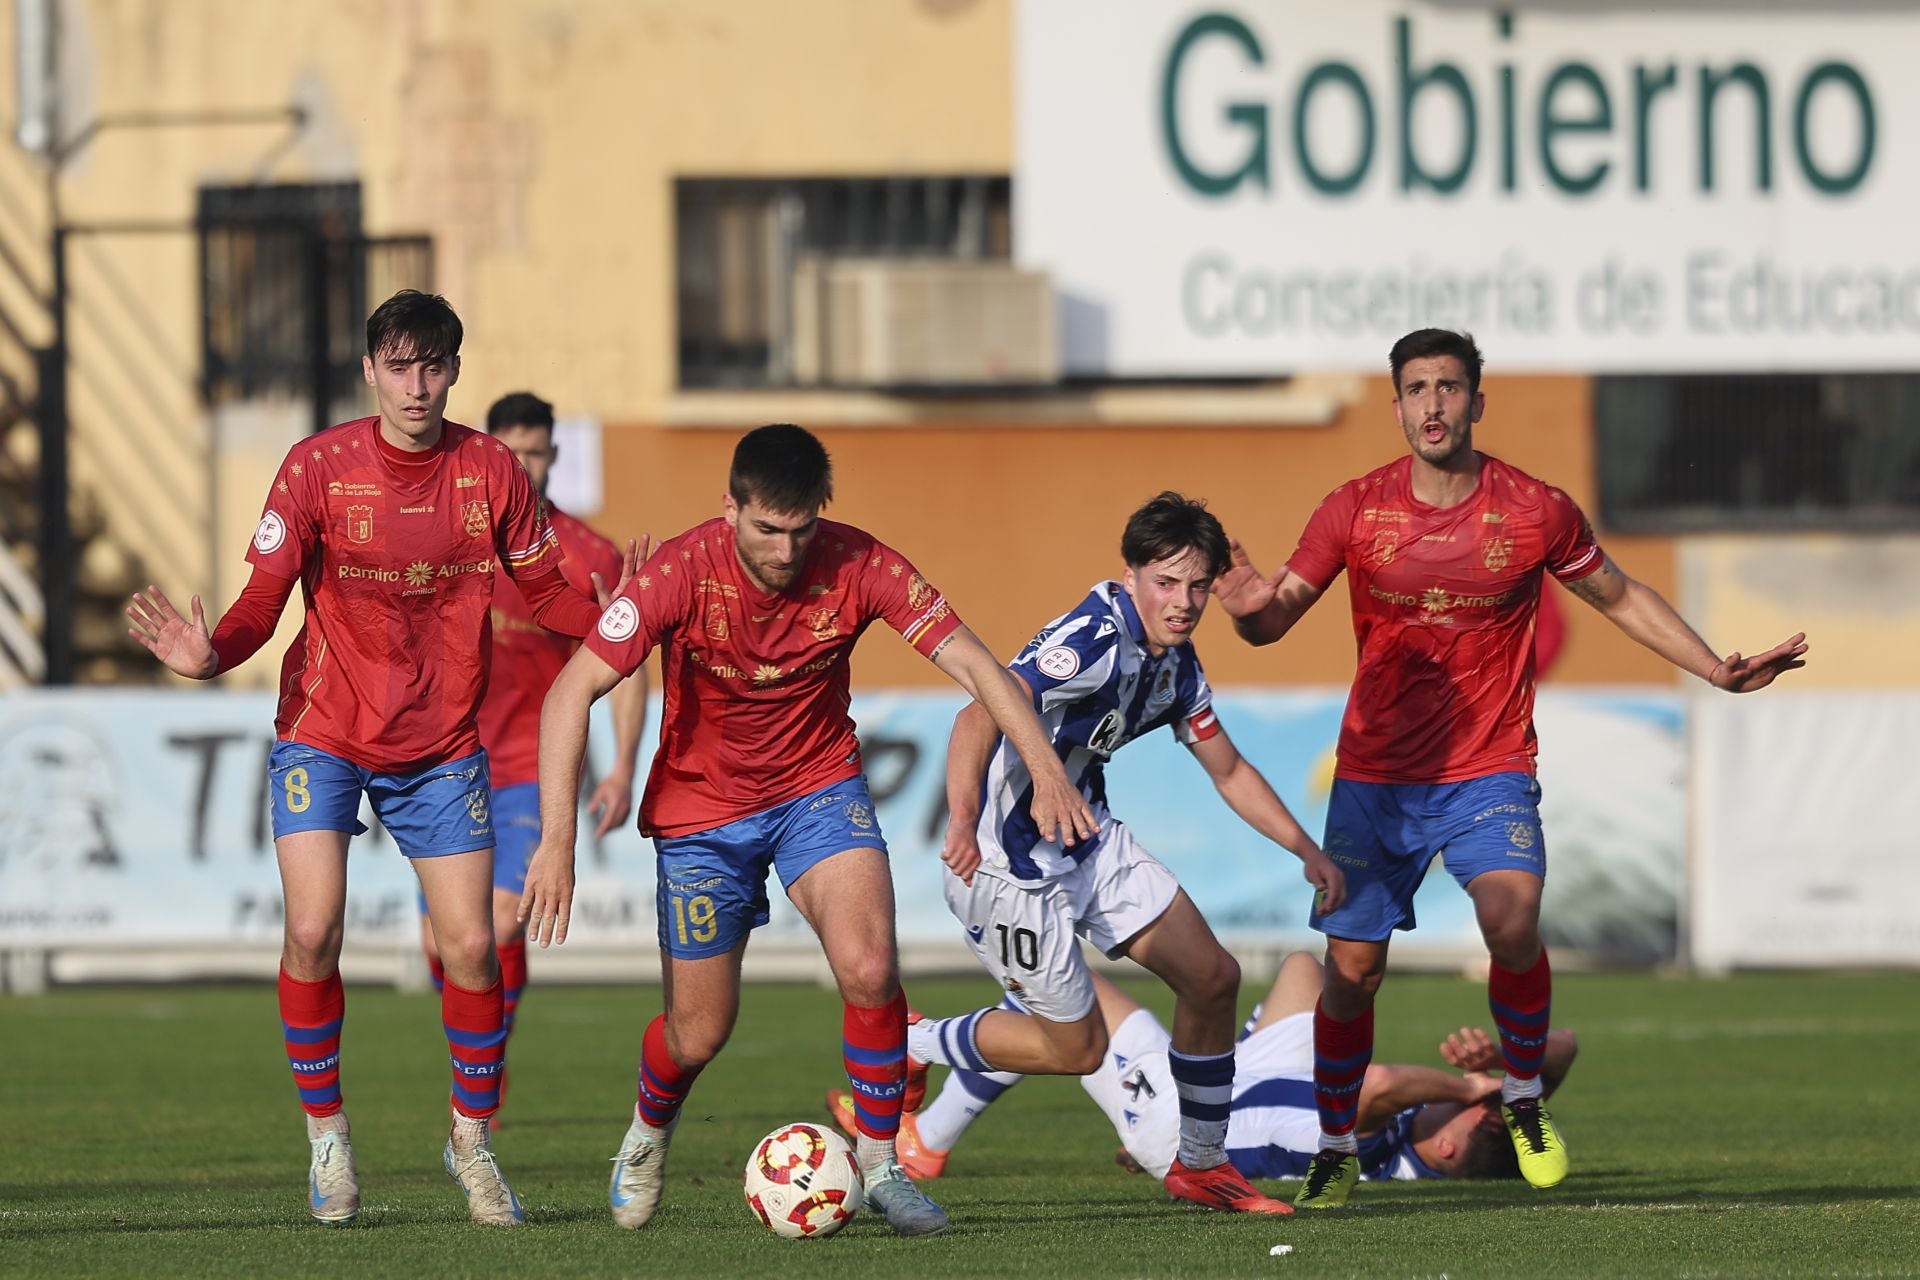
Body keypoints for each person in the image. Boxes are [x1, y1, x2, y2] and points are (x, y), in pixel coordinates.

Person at [1212, 328, 1808, 1207]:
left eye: (1450, 386)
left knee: (1513, 914)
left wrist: (1715, 667)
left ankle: (1523, 1099)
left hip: (1488, 764)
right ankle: (1336, 1143)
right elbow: (1273, 621)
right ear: (1398, 406)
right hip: (1376, 778)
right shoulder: (1353, 509)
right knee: (1351, 975)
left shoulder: (1533, 508)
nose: (1434, 404)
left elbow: (1619, 596)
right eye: (1416, 389)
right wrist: (1242, 605)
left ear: (1477, 401)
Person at [519, 423, 1098, 1238]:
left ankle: (880, 1164)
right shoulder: (678, 572)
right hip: (702, 813)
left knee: (870, 967)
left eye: (801, 530)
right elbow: (568, 692)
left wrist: (1043, 765)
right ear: (731, 508)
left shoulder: (861, 563)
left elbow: (973, 662)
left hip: (817, 790)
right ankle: (647, 1134)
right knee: (698, 1032)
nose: (787, 551)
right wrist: (556, 842)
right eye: (766, 530)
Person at [125, 291, 624, 1228]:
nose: (416, 386)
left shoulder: (488, 471)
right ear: (370, 371)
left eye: (432, 366)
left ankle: (471, 1144)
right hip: (326, 729)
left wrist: (621, 617)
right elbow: (260, 601)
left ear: (454, 371)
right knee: (313, 932)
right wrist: (213, 657)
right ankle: (328, 1138)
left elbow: (551, 595)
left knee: (474, 949)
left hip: (440, 746)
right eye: (398, 366)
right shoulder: (317, 468)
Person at [904, 493, 1346, 1216]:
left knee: (1211, 977)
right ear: (1132, 574)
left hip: (1085, 837)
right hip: (1007, 864)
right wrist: (961, 819)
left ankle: (1202, 1165)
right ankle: (913, 1041)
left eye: (1198, 586)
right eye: (1166, 583)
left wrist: (1308, 851)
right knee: (1073, 1049)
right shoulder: (1092, 638)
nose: (1184, 602)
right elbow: (977, 710)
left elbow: (1229, 770)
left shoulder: (1176, 665)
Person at [828, 951, 1578, 1185]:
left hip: (1179, 1128)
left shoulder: (1378, 1149)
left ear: (1449, 1145)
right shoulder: (1435, 1128)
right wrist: (1517, 1074)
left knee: (1057, 1001)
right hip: (1243, 1087)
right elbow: (1567, 1046)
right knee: (1303, 970)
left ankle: (916, 1083)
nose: (1506, 1104)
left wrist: (1473, 1083)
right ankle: (924, 1125)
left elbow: (1380, 1085)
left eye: (1489, 1111)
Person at [415, 391, 649, 1093]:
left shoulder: (588, 555)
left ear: (553, 457)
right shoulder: (442, 538)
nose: (524, 465)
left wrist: (623, 768)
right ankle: (478, 1042)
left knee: (497, 927)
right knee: (443, 942)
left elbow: (627, 663)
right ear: (489, 453)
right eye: (510, 452)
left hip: (527, 767)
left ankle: (485, 1059)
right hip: (443, 763)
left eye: (537, 452)